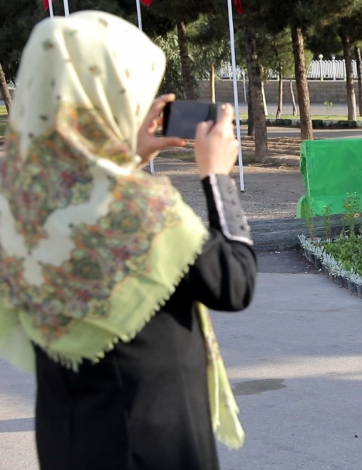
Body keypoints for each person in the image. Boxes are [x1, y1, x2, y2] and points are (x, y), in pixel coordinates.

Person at [0, 11, 257, 469]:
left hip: (69, 440)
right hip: (149, 443)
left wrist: (127, 157)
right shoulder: (135, 207)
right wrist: (217, 178)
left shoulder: (20, 202)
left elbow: (85, 205)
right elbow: (233, 282)